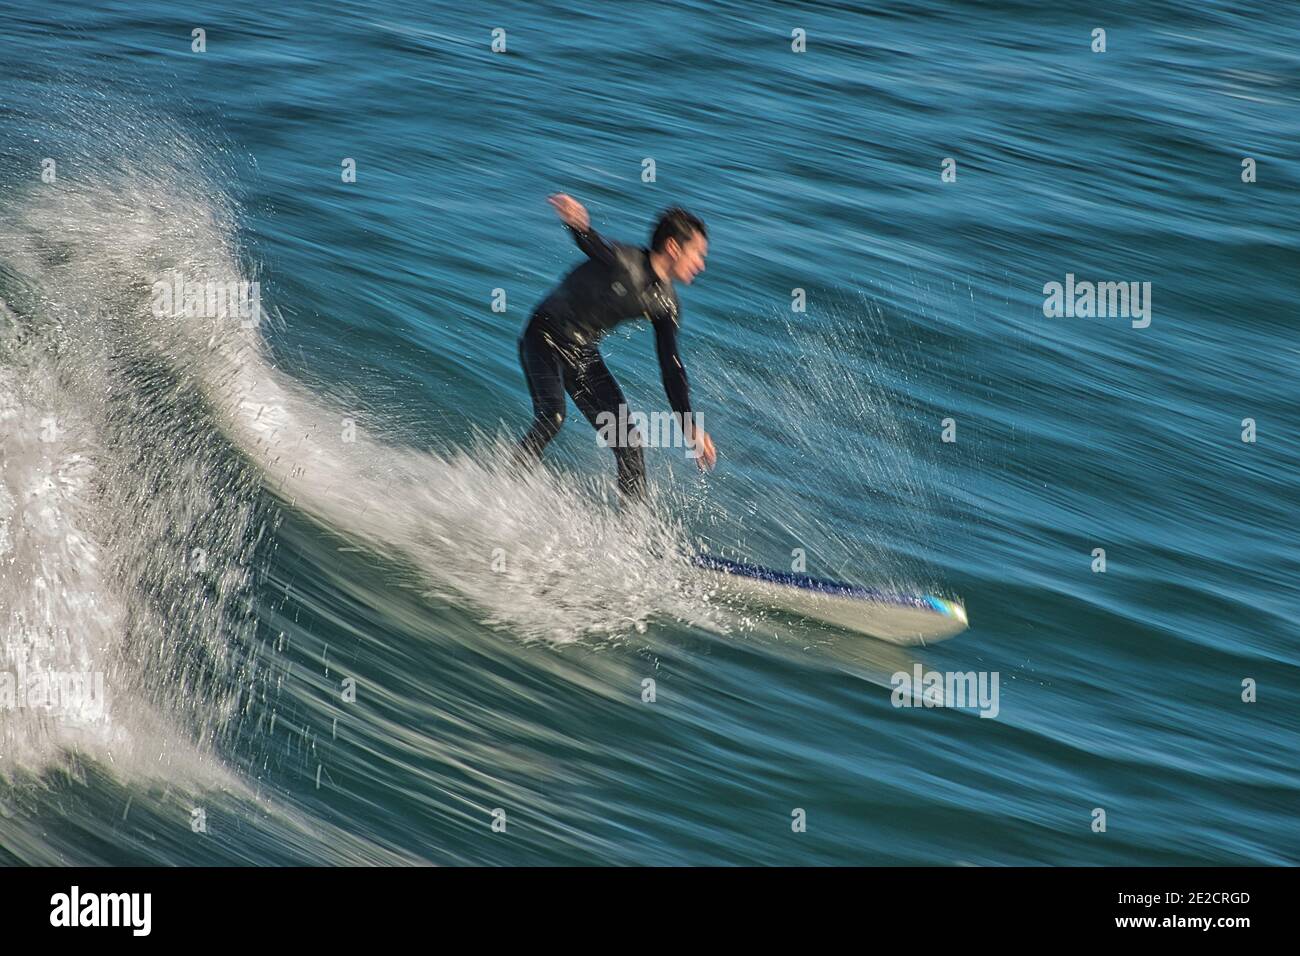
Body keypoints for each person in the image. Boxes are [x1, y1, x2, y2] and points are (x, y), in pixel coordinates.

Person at [515, 194, 717, 499]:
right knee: (553, 416)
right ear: (674, 247)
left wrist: (689, 426)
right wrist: (579, 226)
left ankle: (631, 535)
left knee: (629, 443)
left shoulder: (666, 304)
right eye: (697, 254)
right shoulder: (626, 261)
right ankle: (509, 481)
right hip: (544, 336)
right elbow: (594, 246)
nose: (701, 265)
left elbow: (671, 367)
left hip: (583, 353)